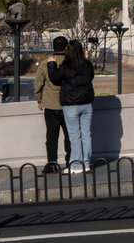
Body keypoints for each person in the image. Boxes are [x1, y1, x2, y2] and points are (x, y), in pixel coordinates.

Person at [48, 40, 95, 173]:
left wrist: (51, 64)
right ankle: (86, 163)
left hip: (71, 105)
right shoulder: (87, 64)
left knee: (74, 136)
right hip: (86, 104)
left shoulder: (66, 66)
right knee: (86, 135)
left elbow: (55, 79)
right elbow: (91, 77)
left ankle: (76, 165)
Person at [34, 36, 71, 174]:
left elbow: (38, 84)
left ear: (53, 47)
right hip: (68, 104)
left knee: (51, 136)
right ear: (66, 47)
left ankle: (52, 162)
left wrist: (39, 100)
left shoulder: (45, 64)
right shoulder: (70, 63)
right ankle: (71, 161)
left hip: (50, 105)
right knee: (69, 136)